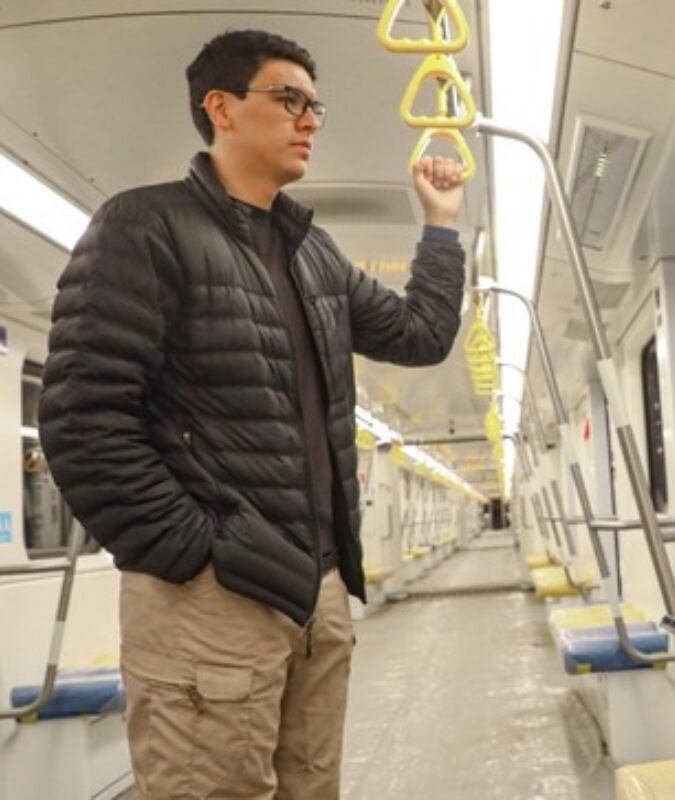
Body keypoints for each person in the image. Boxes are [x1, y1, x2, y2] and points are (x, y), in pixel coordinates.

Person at [38, 29, 466, 799]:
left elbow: (421, 336)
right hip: (212, 597)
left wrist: (438, 225)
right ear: (221, 108)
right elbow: (82, 419)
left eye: (315, 106)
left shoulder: (315, 254)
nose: (310, 120)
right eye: (290, 99)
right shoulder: (143, 229)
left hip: (319, 589)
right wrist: (199, 555)